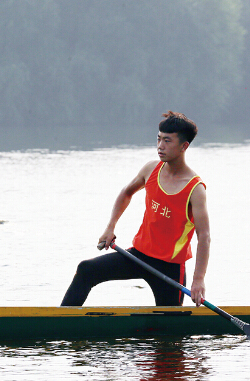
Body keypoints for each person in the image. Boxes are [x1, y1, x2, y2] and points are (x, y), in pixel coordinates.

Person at [61, 111, 210, 307]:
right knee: (86, 270)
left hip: (169, 267)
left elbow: (204, 236)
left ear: (184, 146)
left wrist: (198, 279)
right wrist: (110, 227)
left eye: (167, 141)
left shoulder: (195, 189)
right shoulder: (151, 169)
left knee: (168, 322)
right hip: (139, 256)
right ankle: (61, 319)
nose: (160, 146)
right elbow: (126, 193)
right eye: (158, 139)